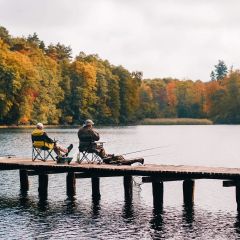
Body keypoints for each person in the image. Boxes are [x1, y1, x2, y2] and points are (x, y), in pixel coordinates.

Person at [78, 119, 144, 165]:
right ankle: (105, 158)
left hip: (82, 148)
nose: (92, 126)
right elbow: (97, 138)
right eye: (92, 125)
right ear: (90, 125)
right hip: (90, 148)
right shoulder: (91, 131)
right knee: (101, 147)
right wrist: (94, 131)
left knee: (98, 147)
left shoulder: (80, 130)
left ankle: (106, 157)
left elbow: (81, 138)